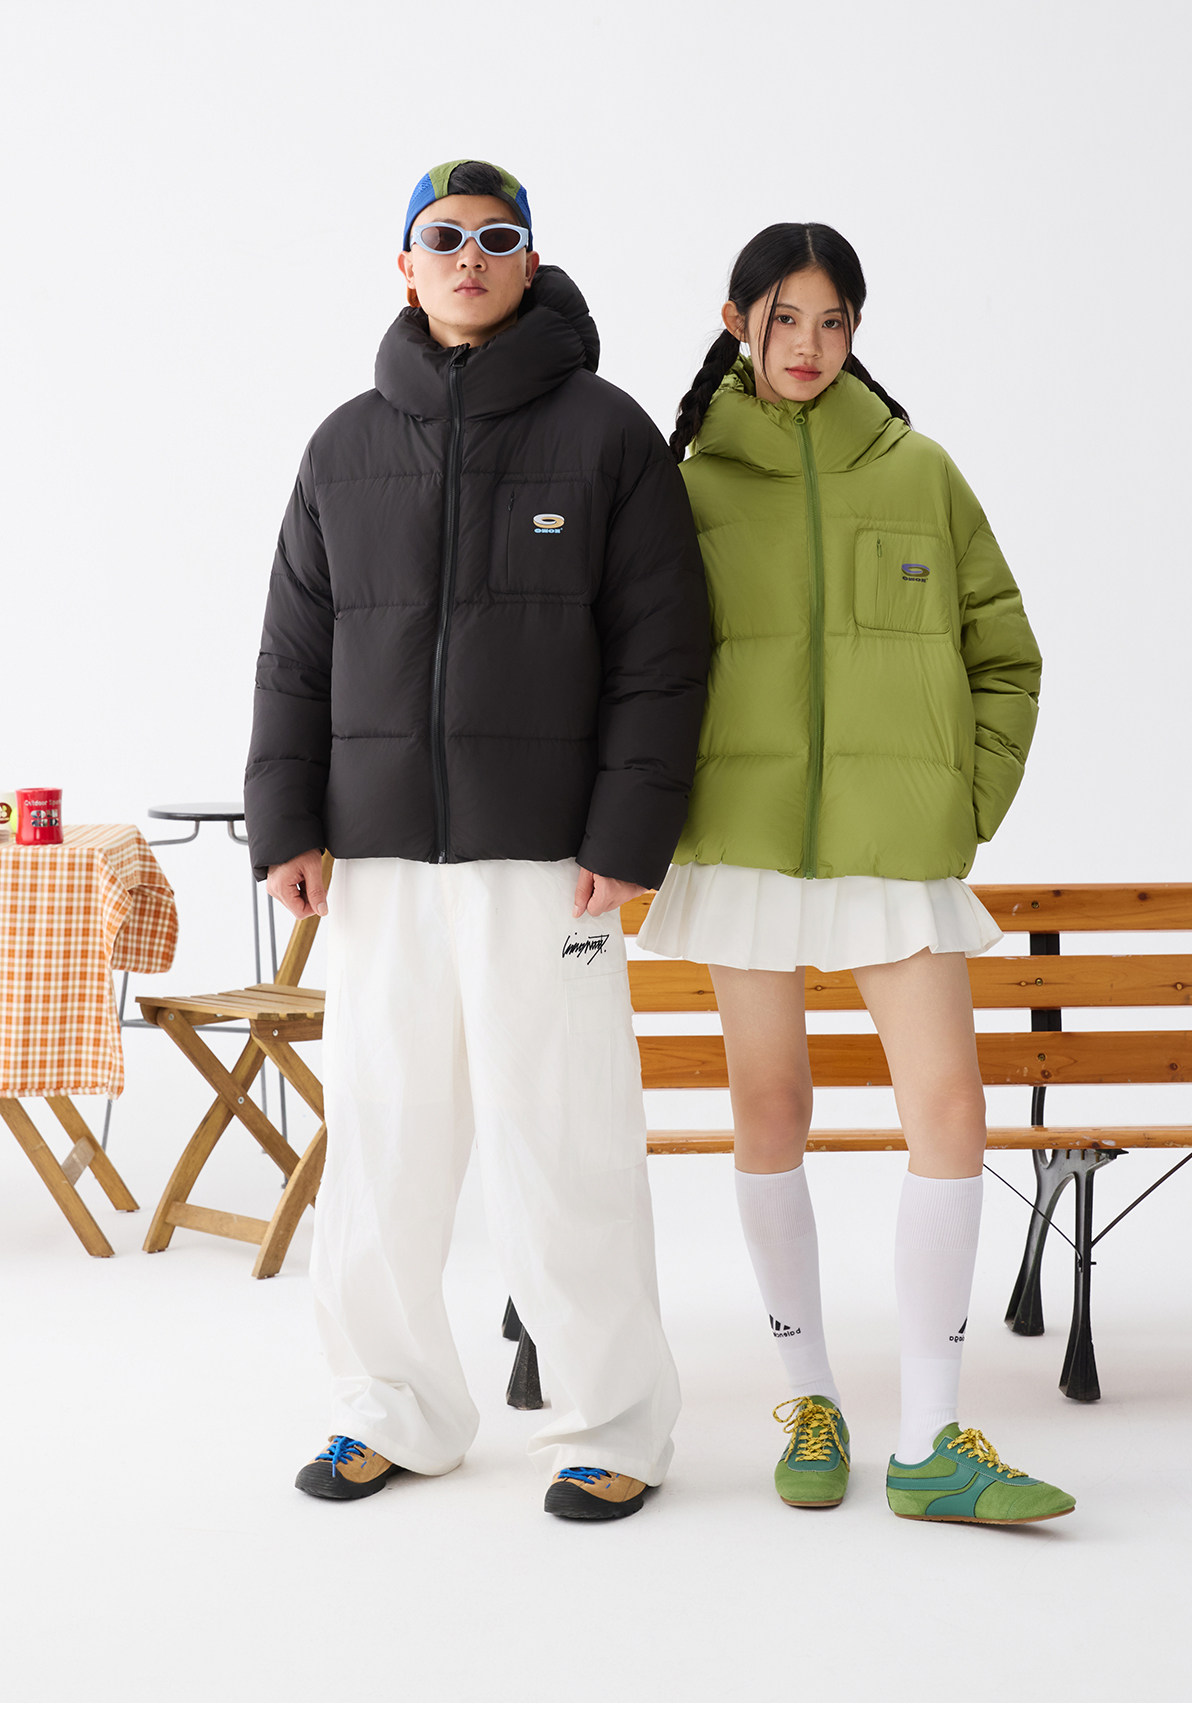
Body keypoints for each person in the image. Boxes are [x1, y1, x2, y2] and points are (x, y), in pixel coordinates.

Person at [244, 158, 710, 1520]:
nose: (469, 255)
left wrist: (627, 830)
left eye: (497, 237)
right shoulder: (344, 445)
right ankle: (390, 1408)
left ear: (529, 262)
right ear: (405, 264)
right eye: (443, 236)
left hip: (549, 858)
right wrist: (287, 820)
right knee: (383, 1135)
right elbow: (293, 652)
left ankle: (611, 1423)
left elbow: (665, 653)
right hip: (379, 856)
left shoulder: (607, 434)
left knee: (563, 1140)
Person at [638, 222, 1075, 1524]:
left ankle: (932, 1435)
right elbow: (640, 670)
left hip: (894, 846)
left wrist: (963, 803)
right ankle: (811, 1397)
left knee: (951, 1110)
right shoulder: (688, 488)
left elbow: (1006, 654)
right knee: (770, 1107)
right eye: (785, 319)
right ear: (737, 323)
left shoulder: (920, 471)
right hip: (746, 839)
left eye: (833, 321)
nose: (810, 345)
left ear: (857, 331)